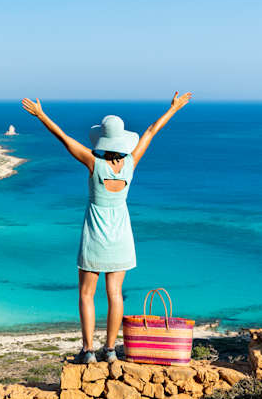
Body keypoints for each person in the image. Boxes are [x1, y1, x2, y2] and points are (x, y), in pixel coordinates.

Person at [22, 92, 192, 363]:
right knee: (115, 294)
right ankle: (110, 349)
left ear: (101, 139)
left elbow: (64, 139)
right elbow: (151, 130)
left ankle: (88, 350)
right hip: (122, 237)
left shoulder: (93, 163)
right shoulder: (131, 163)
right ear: (123, 140)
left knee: (86, 293)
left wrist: (41, 115)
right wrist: (173, 109)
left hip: (94, 236)